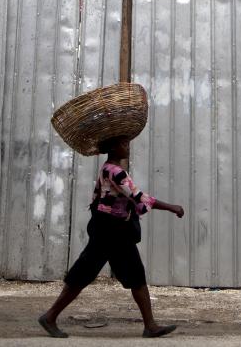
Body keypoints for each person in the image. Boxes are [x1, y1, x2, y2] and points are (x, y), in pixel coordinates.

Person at [38, 136, 184, 339]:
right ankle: (50, 316)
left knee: (134, 275)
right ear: (113, 148)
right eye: (123, 144)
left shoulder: (108, 168)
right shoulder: (115, 172)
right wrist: (172, 207)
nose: (127, 147)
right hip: (108, 231)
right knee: (85, 273)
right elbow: (139, 197)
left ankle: (150, 325)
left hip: (115, 231)